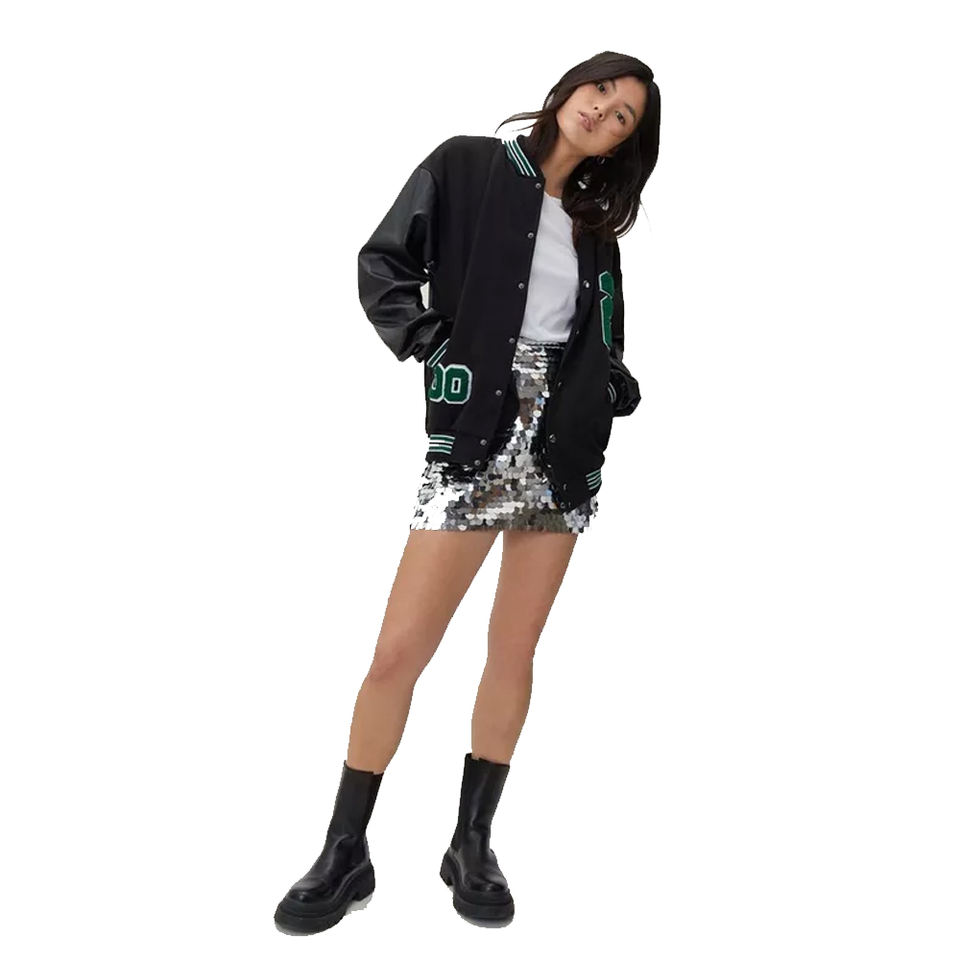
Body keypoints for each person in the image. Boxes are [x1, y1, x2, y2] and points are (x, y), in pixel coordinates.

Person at [273, 50, 660, 934]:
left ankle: (471, 843)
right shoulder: (467, 166)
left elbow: (600, 330)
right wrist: (430, 342)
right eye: (602, 90)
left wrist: (611, 383)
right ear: (570, 87)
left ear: (623, 144)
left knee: (514, 651)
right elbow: (383, 262)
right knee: (398, 653)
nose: (604, 112)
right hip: (479, 427)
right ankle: (345, 849)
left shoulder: (594, 228)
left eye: (625, 116)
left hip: (563, 445)